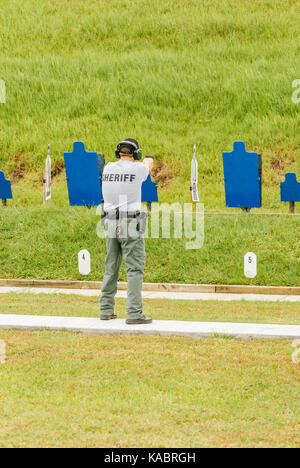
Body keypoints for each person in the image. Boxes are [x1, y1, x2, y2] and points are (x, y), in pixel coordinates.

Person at [99, 138, 153, 324]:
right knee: (134, 269)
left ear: (118, 153)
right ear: (135, 154)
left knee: (111, 267)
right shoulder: (138, 168)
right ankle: (134, 313)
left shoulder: (108, 168)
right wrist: (148, 158)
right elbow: (148, 165)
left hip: (110, 221)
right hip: (130, 222)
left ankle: (105, 309)